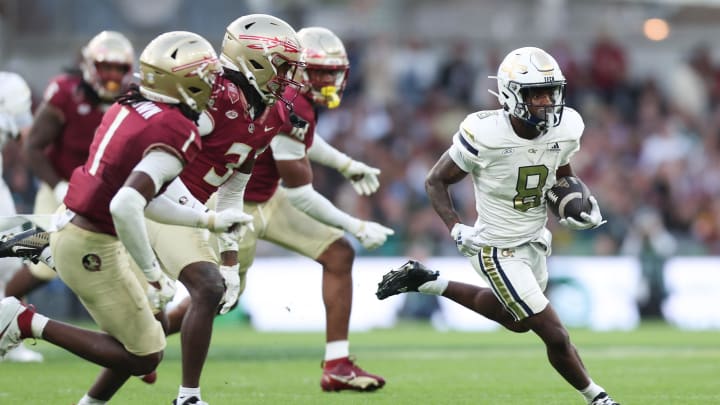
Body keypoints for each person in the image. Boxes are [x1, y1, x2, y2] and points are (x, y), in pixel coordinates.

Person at [0, 31, 249, 405]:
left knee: (144, 337)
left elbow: (146, 198)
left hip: (77, 224)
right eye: (205, 76)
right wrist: (152, 274)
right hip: (92, 240)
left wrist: (207, 223)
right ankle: (22, 321)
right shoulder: (176, 128)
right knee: (146, 354)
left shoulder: (131, 103)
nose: (213, 85)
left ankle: (33, 241)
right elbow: (127, 204)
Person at [375, 47, 620, 405]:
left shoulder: (567, 127)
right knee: (554, 333)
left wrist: (579, 204)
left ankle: (429, 282)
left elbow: (560, 173)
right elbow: (435, 181)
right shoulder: (485, 134)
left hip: (535, 240)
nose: (546, 101)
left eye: (550, 91)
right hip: (495, 247)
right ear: (510, 94)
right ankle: (597, 397)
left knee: (518, 321)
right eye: (535, 93)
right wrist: (456, 227)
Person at [166, 26, 392, 392]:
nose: (327, 81)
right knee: (218, 295)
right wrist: (356, 223)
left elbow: (299, 138)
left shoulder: (292, 99)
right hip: (237, 204)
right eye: (319, 72)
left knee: (338, 254)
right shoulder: (287, 97)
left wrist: (346, 165)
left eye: (332, 73)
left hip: (266, 195)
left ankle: (337, 364)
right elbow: (301, 192)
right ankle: (148, 341)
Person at [136, 14, 306, 405]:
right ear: (256, 60)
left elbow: (232, 193)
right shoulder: (213, 96)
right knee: (203, 289)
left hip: (187, 211)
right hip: (155, 203)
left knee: (141, 341)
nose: (290, 77)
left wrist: (230, 260)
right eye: (282, 65)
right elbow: (154, 151)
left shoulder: (270, 112)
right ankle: (189, 397)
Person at [4, 31, 135, 310]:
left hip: (111, 198)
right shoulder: (65, 93)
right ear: (89, 66)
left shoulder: (135, 99)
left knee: (129, 266)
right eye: (105, 67)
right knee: (39, 262)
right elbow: (33, 148)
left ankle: (133, 338)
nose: (112, 75)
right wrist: (59, 186)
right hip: (60, 192)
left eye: (118, 68)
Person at [0, 71, 44, 362]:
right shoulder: (10, 85)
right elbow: (29, 137)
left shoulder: (9, 85)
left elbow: (27, 135)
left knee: (30, 247)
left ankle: (11, 334)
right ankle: (10, 336)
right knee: (31, 247)